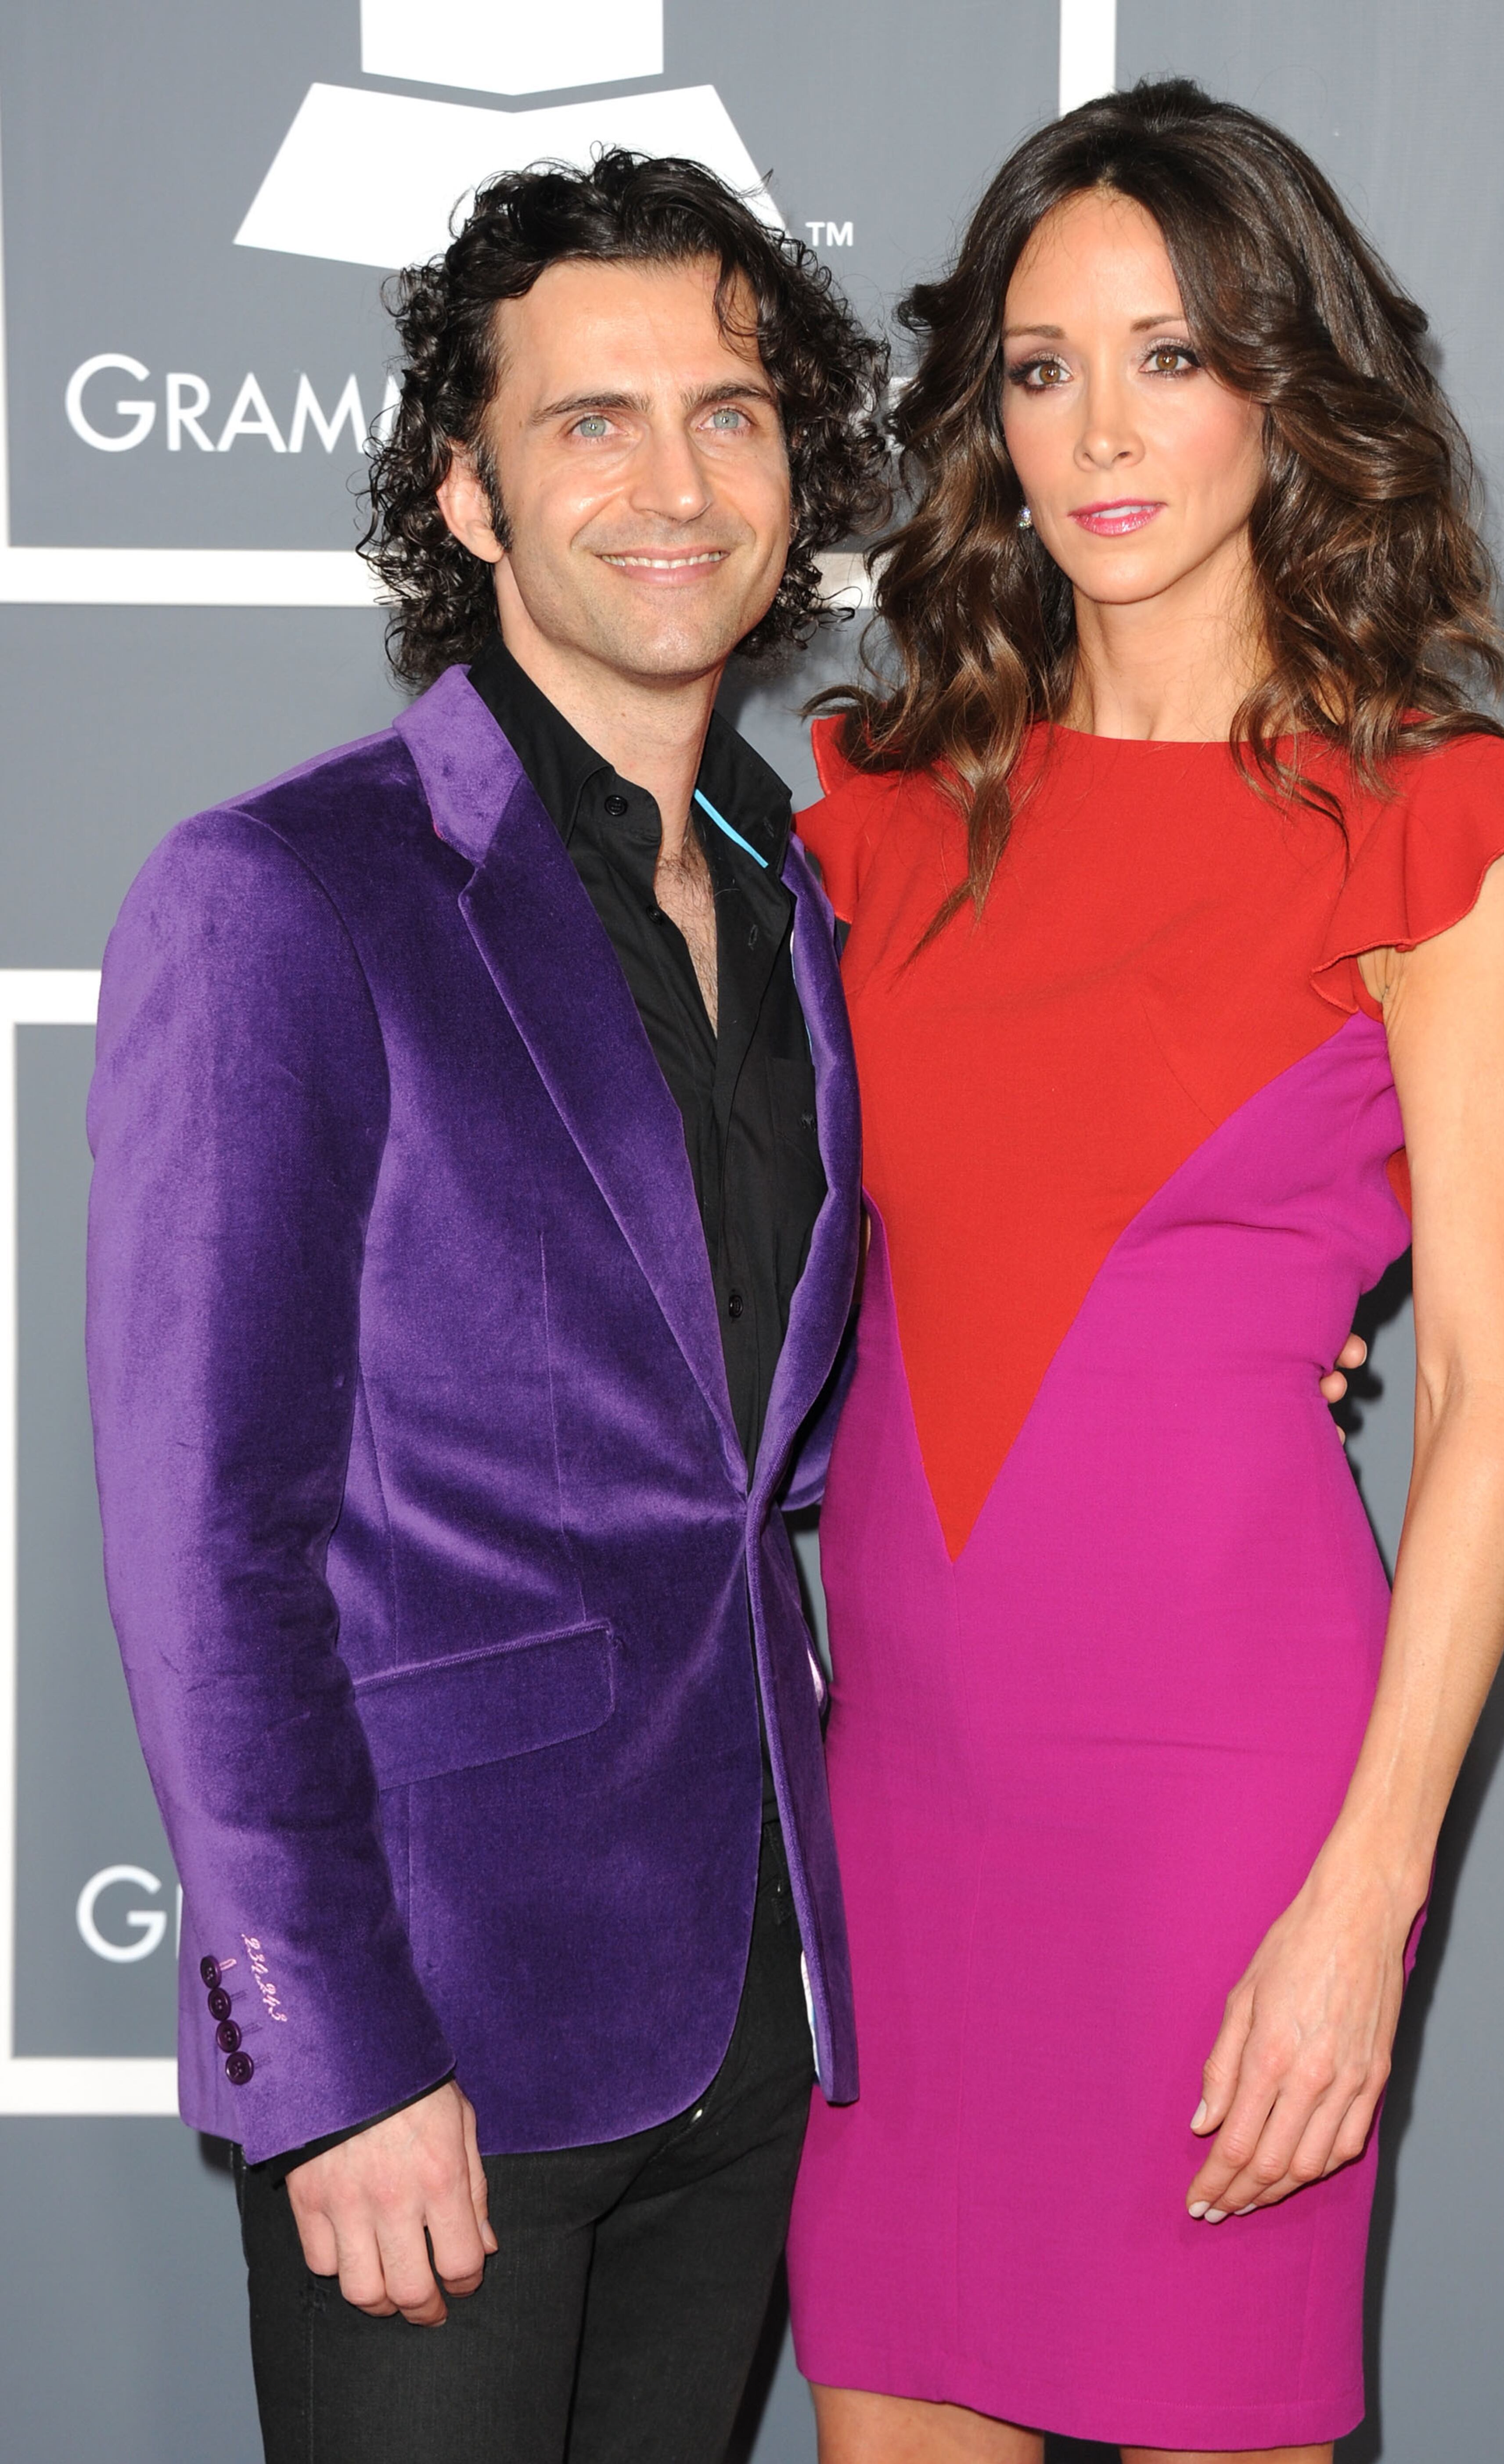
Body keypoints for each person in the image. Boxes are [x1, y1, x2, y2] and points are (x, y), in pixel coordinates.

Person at [784, 79, 1504, 2464]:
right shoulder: (870, 811)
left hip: (1223, 1806)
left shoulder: (1435, 828)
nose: (1100, 432)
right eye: (1040, 370)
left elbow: (1484, 1404)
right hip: (904, 1807)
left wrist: (1363, 1903)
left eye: (1170, 356)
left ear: (1288, 384)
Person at [85, 152, 887, 2464]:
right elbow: (201, 1534)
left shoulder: (806, 900)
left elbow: (776, 1424)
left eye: (730, 414)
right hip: (441, 2027)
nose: (674, 483)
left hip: (755, 2004)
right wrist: (323, 2052)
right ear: (472, 484)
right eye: (590, 421)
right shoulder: (289, 894)